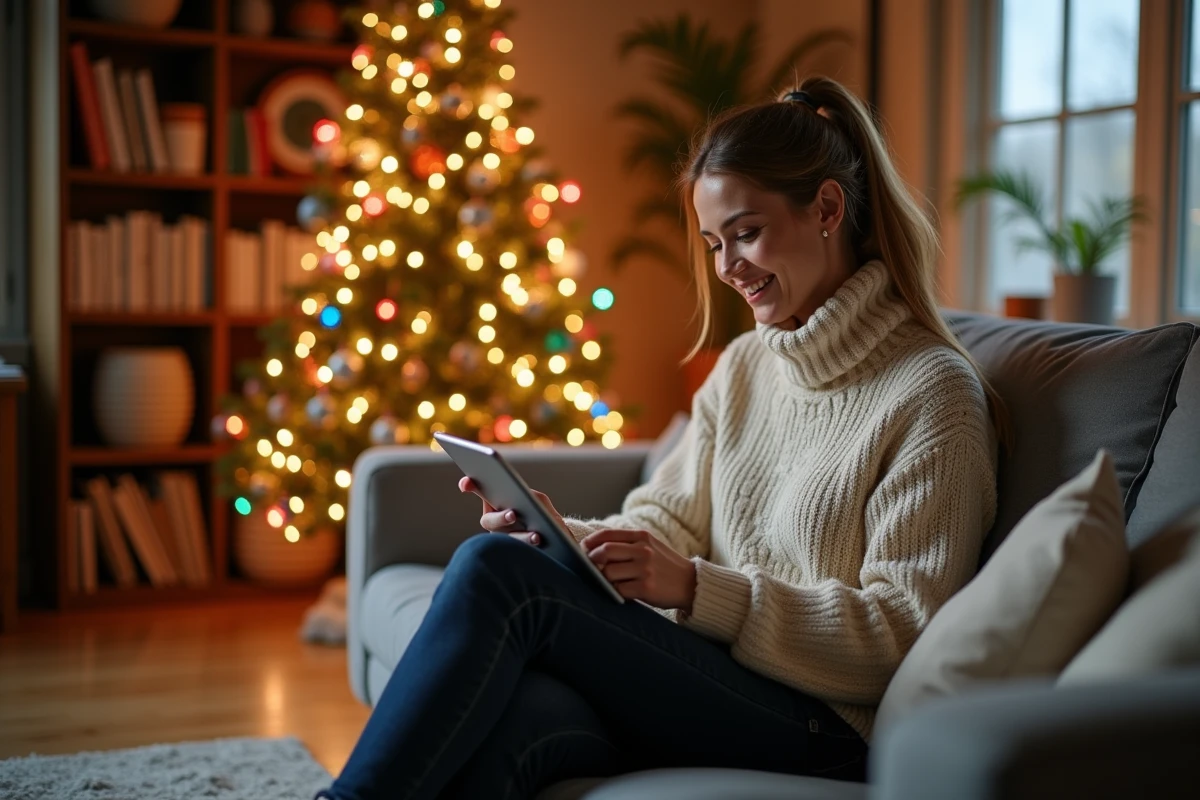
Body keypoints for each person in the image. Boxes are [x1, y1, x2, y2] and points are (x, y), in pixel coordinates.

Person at [317, 76, 1003, 800]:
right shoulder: (745, 366)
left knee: (495, 574)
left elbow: (898, 634)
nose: (727, 266)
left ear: (827, 207)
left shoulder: (932, 395)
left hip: (826, 728)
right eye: (713, 242)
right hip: (718, 678)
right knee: (520, 718)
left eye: (745, 233)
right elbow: (665, 519)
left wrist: (701, 588)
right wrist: (566, 538)